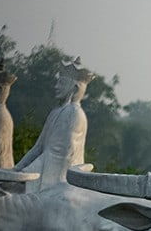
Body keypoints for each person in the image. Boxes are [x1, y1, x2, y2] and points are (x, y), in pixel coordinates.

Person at [14, 57, 94, 189]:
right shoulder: (56, 112)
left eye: (61, 83)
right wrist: (17, 169)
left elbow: (56, 154)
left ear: (75, 88)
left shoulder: (74, 114)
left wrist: (25, 173)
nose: (56, 87)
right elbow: (39, 147)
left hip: (60, 182)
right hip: (41, 171)